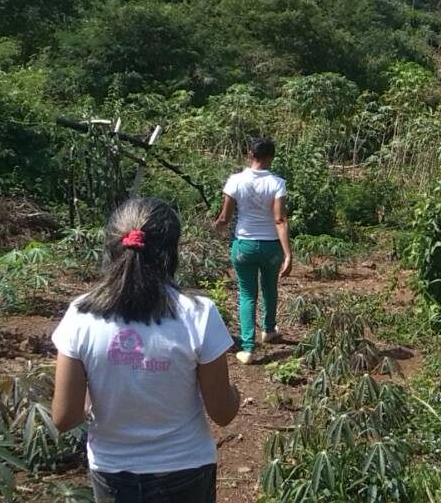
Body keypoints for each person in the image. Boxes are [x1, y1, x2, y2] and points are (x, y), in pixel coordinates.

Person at [51, 197, 240, 503]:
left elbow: (64, 417)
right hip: (185, 470)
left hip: (112, 473)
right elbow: (222, 412)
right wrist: (235, 394)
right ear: (171, 252)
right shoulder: (199, 313)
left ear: (111, 247)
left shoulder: (80, 315)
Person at [214, 137, 292, 365]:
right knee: (270, 288)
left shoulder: (235, 181)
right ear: (271, 157)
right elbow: (279, 219)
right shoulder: (277, 183)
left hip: (244, 245)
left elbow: (225, 218)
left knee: (247, 295)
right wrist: (288, 253)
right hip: (271, 246)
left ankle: (248, 348)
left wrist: (215, 228)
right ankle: (268, 329)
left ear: (250, 154)